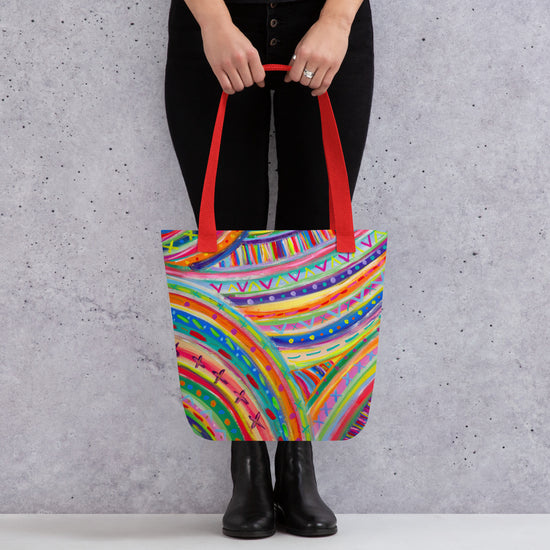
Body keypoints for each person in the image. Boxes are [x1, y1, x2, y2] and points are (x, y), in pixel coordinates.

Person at [164, 0, 374, 539]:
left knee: (318, 251)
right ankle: (249, 466)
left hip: (328, 20)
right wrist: (213, 22)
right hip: (214, 21)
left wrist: (338, 20)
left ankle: (297, 463)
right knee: (227, 249)